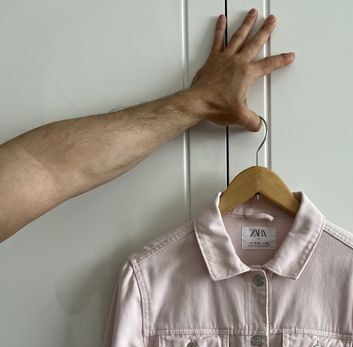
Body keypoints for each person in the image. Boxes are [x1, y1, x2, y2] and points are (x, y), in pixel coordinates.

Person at [0, 8, 294, 243]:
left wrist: (202, 99)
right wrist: (202, 99)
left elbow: (46, 169)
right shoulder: (150, 277)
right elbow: (45, 169)